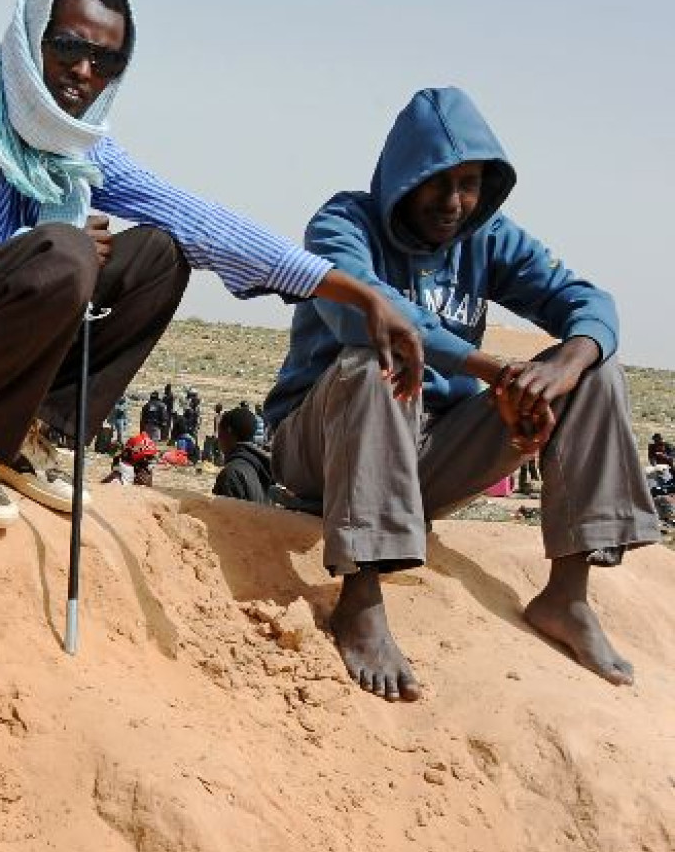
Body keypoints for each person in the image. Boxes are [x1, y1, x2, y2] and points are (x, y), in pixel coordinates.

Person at [0, 0, 421, 528]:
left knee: (159, 253)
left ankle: (32, 433)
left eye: (104, 62)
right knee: (64, 251)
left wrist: (352, 294)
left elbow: (198, 218)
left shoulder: (77, 145)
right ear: (31, 38)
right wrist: (40, 244)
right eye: (68, 48)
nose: (83, 72)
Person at [266, 87, 660, 702]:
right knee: (376, 361)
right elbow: (368, 321)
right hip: (319, 448)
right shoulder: (342, 224)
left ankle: (567, 596)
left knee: (594, 370)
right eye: (436, 184)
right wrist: (489, 367)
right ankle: (361, 599)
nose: (454, 203)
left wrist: (564, 366)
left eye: (470, 184)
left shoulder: (486, 237)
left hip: (427, 455)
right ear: (401, 179)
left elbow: (590, 303)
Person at [211, 406, 272, 504]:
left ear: (228, 431)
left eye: (220, 431)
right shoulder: (261, 465)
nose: (218, 438)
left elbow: (223, 517)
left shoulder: (231, 474)